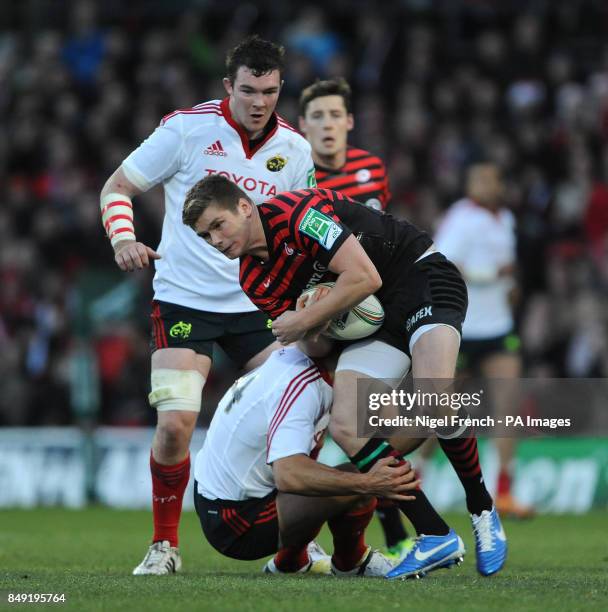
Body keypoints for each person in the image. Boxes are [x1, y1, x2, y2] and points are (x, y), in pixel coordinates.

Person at [182, 176, 508, 578]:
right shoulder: (252, 280)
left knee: (434, 400)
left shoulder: (296, 215)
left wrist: (304, 316)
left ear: (245, 207)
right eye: (204, 236)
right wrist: (314, 317)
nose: (214, 240)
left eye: (218, 225)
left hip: (419, 277)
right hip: (374, 320)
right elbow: (315, 348)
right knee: (348, 424)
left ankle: (482, 509)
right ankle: (433, 533)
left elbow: (365, 277)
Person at [99, 35, 317, 576]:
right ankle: (164, 546)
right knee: (175, 426)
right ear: (228, 86)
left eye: (268, 91)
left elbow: (307, 227)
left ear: (280, 87)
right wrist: (124, 238)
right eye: (247, 90)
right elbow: (117, 186)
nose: (258, 102)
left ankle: (299, 548)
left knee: (297, 423)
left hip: (260, 307)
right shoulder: (186, 129)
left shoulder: (297, 150)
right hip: (184, 301)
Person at [299, 77, 411, 559]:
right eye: (316, 117)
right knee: (322, 424)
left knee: (371, 421)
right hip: (325, 314)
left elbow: (384, 234)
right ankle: (303, 535)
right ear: (303, 127)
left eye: (333, 116)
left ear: (349, 121)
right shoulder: (300, 175)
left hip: (372, 309)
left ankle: (385, 519)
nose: (326, 125)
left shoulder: (372, 169)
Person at [194, 343, 419, 577]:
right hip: (236, 521)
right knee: (359, 476)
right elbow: (290, 474)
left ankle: (291, 561)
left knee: (338, 469)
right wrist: (369, 484)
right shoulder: (304, 384)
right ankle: (352, 562)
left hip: (220, 500)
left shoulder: (291, 361)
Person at [433, 162, 535, 519]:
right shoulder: (462, 218)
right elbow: (444, 263)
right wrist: (493, 275)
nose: (479, 186)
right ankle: (410, 479)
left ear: (499, 184)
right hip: (461, 329)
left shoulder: (505, 218)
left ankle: (505, 491)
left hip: (498, 329)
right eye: (474, 179)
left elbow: (506, 267)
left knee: (508, 406)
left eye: (486, 180)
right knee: (438, 413)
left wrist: (511, 287)